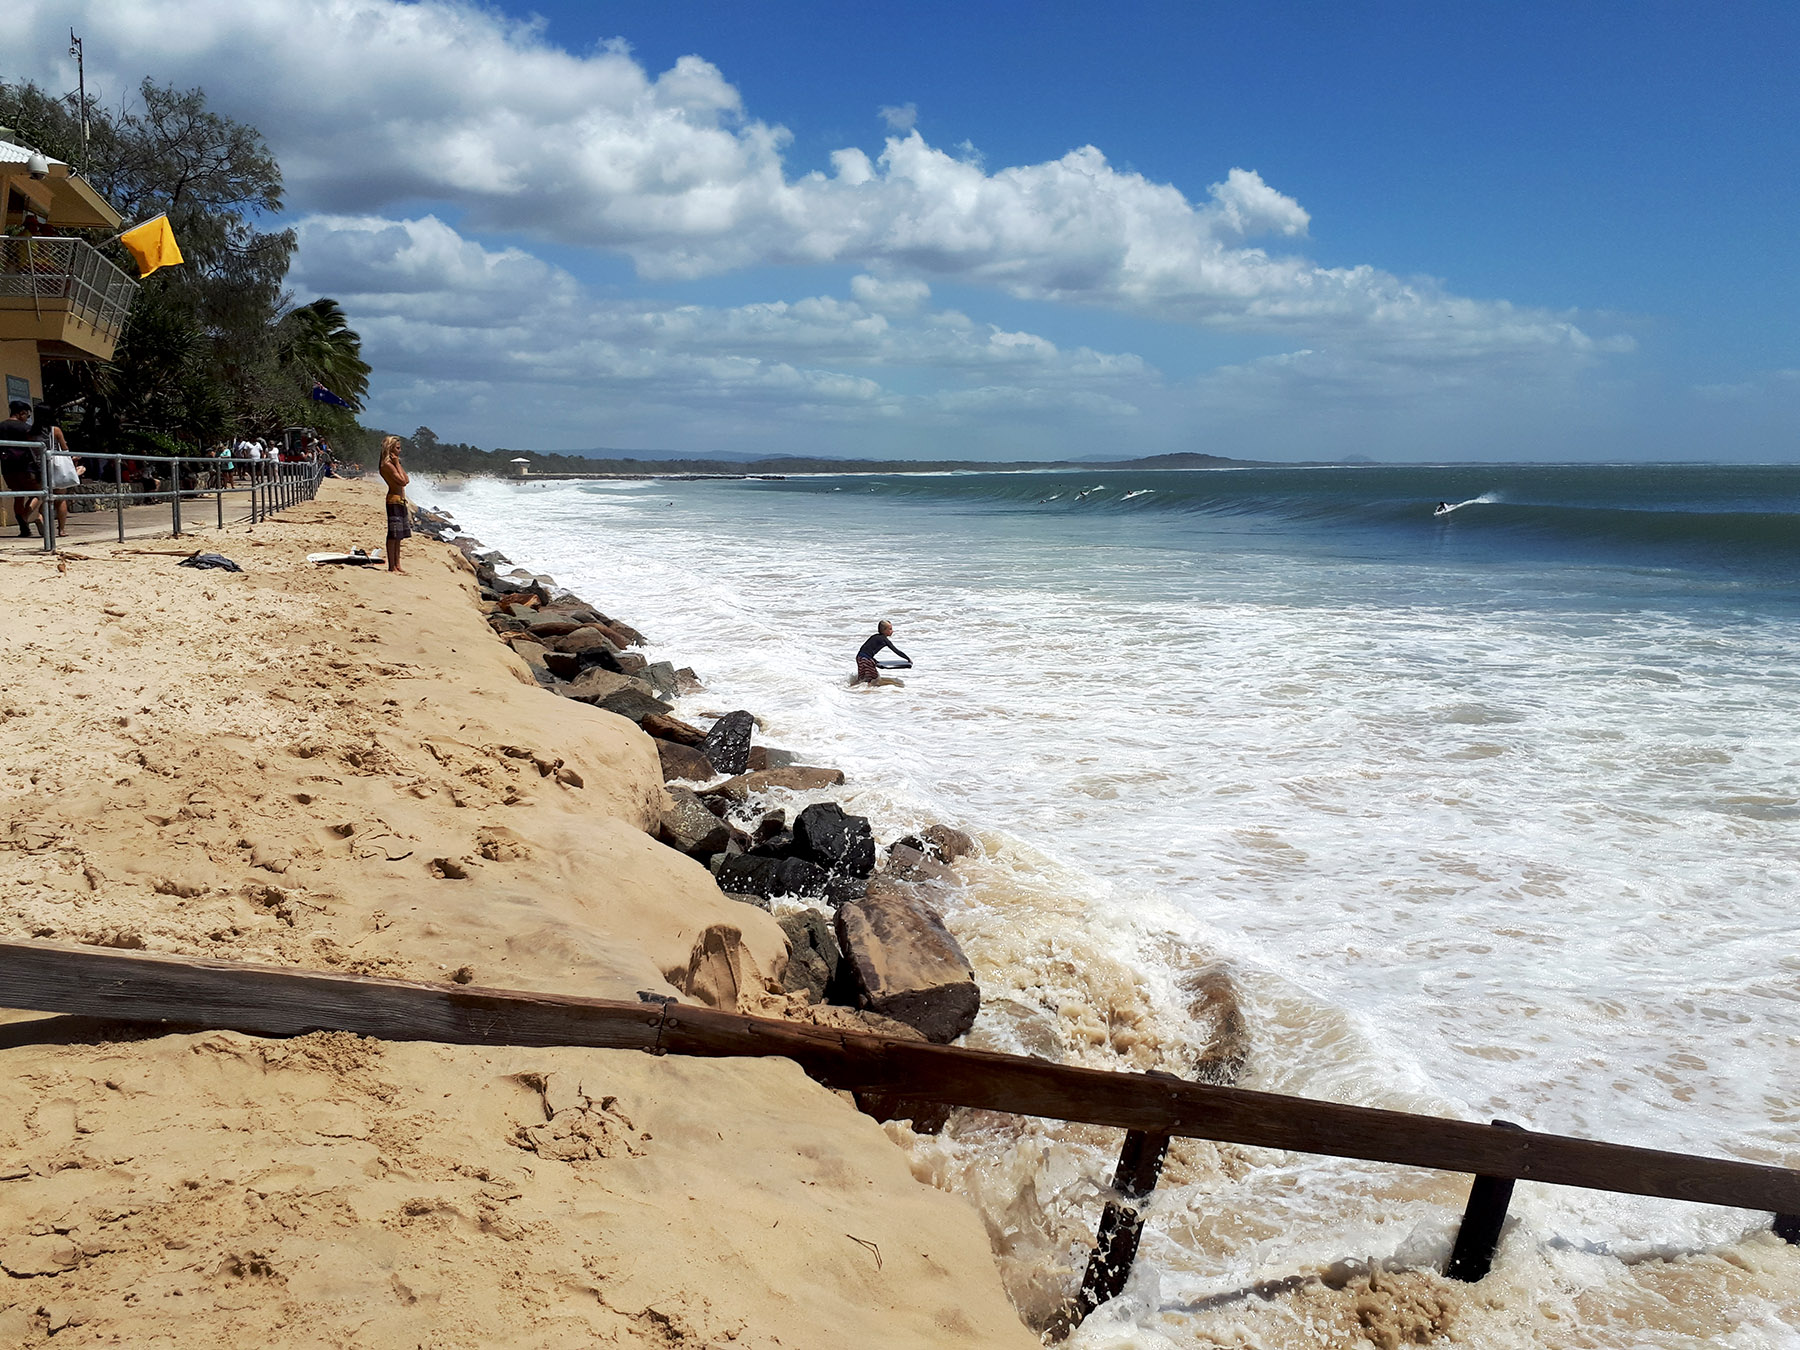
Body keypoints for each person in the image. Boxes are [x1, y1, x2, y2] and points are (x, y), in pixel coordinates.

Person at [34, 404, 80, 536]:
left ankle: (40, 517)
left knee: (46, 496)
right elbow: (64, 448)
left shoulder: (31, 432)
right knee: (60, 498)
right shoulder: (55, 430)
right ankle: (61, 529)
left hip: (39, 467)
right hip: (55, 467)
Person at [0, 399, 42, 537]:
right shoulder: (24, 428)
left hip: (7, 466)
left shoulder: (2, 426)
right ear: (21, 413)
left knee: (17, 495)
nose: (27, 418)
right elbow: (35, 443)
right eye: (27, 416)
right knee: (38, 493)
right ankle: (24, 517)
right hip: (25, 465)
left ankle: (23, 526)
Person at [379, 434, 410, 573]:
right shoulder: (387, 465)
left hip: (399, 500)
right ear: (391, 449)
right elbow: (402, 481)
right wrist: (397, 463)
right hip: (393, 500)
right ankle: (392, 566)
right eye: (397, 448)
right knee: (393, 535)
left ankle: (397, 564)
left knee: (399, 536)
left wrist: (398, 463)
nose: (400, 450)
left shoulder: (393, 464)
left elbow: (406, 479)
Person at [854, 620, 910, 685]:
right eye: (890, 629)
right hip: (866, 659)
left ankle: (851, 688)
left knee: (862, 678)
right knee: (874, 679)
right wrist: (907, 658)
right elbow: (896, 651)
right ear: (884, 630)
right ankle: (866, 692)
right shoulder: (885, 640)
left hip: (859, 657)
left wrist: (873, 660)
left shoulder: (874, 636)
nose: (892, 631)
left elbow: (866, 649)